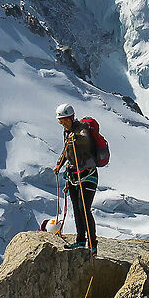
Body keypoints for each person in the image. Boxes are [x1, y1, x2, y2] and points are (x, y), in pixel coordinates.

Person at [54, 104, 100, 254]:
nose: (63, 124)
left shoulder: (81, 128)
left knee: (84, 209)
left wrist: (76, 137)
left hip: (87, 175)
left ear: (71, 118)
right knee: (77, 209)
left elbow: (85, 138)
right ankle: (81, 240)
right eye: (61, 121)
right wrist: (58, 165)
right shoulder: (67, 133)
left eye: (65, 120)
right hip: (73, 176)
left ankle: (92, 243)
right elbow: (66, 151)